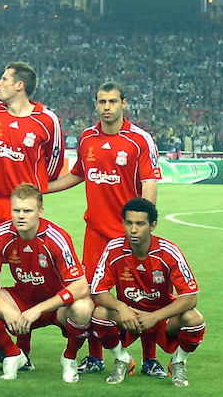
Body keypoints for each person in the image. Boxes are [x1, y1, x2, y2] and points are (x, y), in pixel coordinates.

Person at [46, 82, 162, 375]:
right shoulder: (87, 138)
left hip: (129, 235)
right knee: (92, 296)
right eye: (101, 102)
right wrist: (40, 190)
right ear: (95, 105)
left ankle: (150, 359)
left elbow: (149, 183)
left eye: (112, 101)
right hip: (96, 233)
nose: (107, 107)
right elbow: (75, 176)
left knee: (143, 293)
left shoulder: (139, 140)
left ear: (124, 103)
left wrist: (142, 228)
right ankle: (95, 357)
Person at [0, 183, 93, 382]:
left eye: (27, 211)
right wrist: (5, 308)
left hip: (56, 305)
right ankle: (14, 354)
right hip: (23, 301)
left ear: (40, 211)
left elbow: (80, 286)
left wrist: (38, 310)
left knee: (84, 308)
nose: (21, 216)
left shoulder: (55, 237)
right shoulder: (1, 235)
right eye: (16, 210)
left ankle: (69, 357)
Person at [89, 197, 205, 387]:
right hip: (129, 316)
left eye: (140, 224)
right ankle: (122, 359)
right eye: (129, 223)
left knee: (195, 319)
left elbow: (190, 297)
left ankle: (178, 362)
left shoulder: (169, 251)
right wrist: (121, 307)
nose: (133, 230)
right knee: (100, 314)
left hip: (162, 318)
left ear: (153, 225)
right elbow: (97, 290)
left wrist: (155, 316)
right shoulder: (113, 249)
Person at [0, 62, 64, 248]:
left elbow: (54, 164)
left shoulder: (47, 120)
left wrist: (34, 185)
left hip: (24, 204)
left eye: (4, 79)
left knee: (29, 262)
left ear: (19, 86)